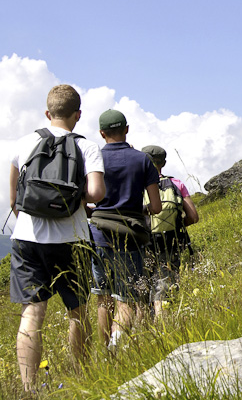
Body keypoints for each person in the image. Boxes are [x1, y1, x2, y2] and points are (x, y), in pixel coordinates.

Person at [8, 85, 106, 393]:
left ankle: (28, 389)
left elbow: (14, 198)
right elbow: (96, 193)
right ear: (78, 115)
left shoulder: (24, 143)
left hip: (27, 238)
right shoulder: (86, 147)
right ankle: (82, 375)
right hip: (72, 238)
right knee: (77, 311)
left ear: (47, 113)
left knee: (32, 314)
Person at [88, 110, 161, 350]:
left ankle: (106, 352)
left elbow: (84, 197)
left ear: (101, 133)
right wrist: (137, 209)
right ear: (126, 129)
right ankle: (116, 350)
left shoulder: (93, 157)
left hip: (98, 235)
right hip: (130, 237)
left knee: (103, 299)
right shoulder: (142, 160)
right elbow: (157, 206)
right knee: (126, 300)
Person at [141, 145, 199, 319]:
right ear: (163, 163)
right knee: (164, 288)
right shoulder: (176, 184)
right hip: (170, 242)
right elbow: (193, 217)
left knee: (141, 289)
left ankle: (143, 333)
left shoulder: (136, 186)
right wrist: (176, 226)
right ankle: (164, 328)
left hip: (143, 243)